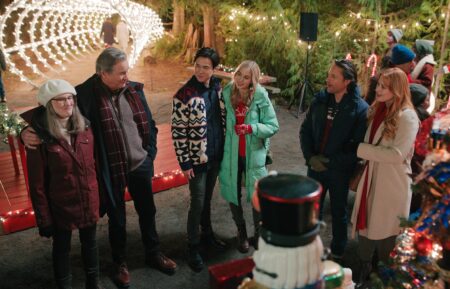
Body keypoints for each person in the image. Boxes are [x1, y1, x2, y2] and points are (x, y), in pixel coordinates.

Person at [22, 47, 176, 288]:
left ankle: (153, 252)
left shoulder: (134, 90)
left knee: (148, 211)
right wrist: (26, 131)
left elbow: (149, 122)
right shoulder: (83, 94)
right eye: (121, 72)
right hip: (110, 168)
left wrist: (150, 153)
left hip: (140, 164)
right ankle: (120, 263)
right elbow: (53, 107)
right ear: (103, 73)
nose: (127, 76)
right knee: (117, 218)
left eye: (127, 71)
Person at [25, 79, 102, 289]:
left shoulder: (85, 127)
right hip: (60, 207)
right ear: (49, 105)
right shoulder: (39, 138)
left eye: (70, 98)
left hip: (88, 199)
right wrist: (44, 218)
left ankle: (93, 283)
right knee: (62, 249)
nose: (68, 103)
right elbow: (37, 184)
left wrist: (98, 198)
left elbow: (95, 165)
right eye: (61, 100)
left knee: (90, 244)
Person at [351, 68, 419, 285]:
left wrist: (360, 150)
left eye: (383, 86)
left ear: (397, 90)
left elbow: (398, 155)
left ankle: (384, 276)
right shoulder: (380, 110)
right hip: (373, 178)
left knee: (386, 235)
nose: (377, 89)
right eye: (378, 84)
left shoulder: (407, 117)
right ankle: (364, 268)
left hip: (392, 185)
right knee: (366, 227)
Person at [299, 59, 369, 262]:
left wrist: (329, 162)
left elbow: (355, 148)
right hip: (315, 167)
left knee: (339, 211)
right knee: (312, 209)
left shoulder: (359, 109)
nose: (327, 79)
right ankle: (310, 245)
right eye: (329, 74)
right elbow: (305, 130)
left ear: (347, 81)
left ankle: (338, 249)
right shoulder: (319, 100)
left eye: (333, 76)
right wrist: (310, 157)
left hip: (339, 171)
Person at [171, 47, 227, 272]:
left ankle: (207, 234)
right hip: (196, 159)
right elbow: (177, 131)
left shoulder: (217, 88)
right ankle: (193, 246)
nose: (201, 71)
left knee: (206, 200)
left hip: (215, 154)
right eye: (198, 66)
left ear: (214, 70)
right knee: (197, 202)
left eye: (206, 67)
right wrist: (185, 162)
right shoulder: (184, 95)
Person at [219, 60, 279, 253]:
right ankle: (241, 232)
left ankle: (259, 235)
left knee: (257, 197)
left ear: (253, 80)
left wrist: (252, 128)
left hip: (254, 155)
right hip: (231, 154)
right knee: (232, 192)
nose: (241, 80)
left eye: (246, 77)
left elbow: (273, 126)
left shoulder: (260, 96)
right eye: (238, 74)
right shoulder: (227, 93)